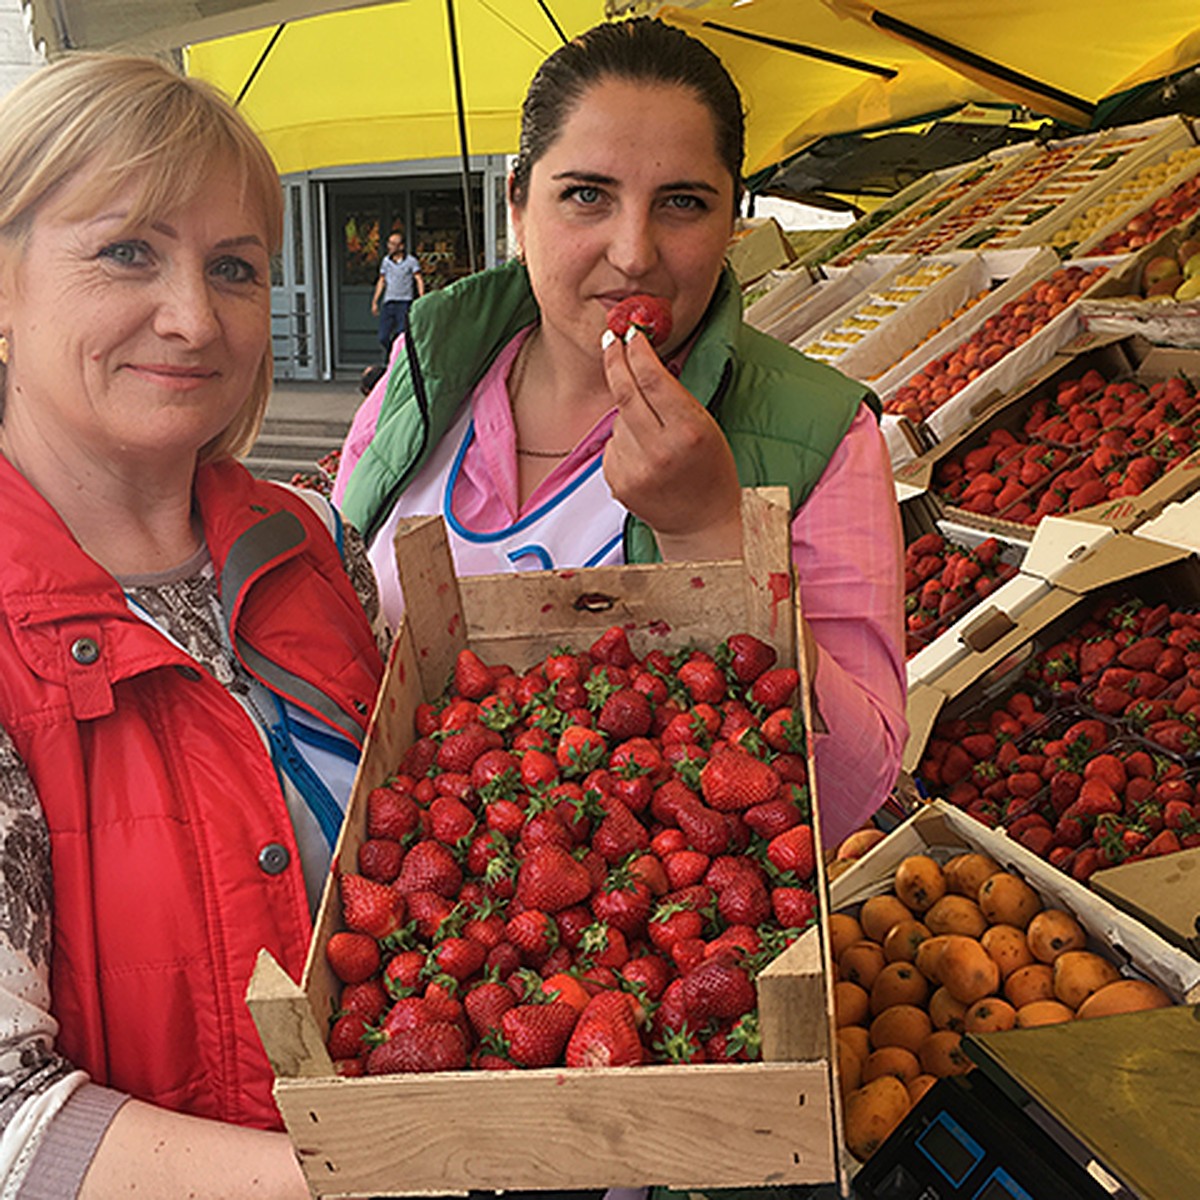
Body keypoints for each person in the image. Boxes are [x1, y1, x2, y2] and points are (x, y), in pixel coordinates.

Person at [334, 16, 907, 846]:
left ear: (731, 226)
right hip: (405, 932)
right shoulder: (419, 380)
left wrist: (710, 537)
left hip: (634, 946)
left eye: (682, 203)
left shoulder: (820, 431)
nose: (634, 253)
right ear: (519, 207)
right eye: (586, 195)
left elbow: (854, 788)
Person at [0, 54, 385, 1198]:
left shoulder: (314, 547)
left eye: (234, 267)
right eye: (129, 250)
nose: (193, 316)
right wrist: (392, 1177)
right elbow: (10, 1126)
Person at [370, 230, 425, 360]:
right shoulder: (386, 262)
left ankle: (398, 360)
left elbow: (418, 279)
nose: (390, 246)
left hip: (404, 302)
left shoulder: (411, 261)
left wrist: (422, 297)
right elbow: (382, 280)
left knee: (402, 334)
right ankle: (393, 355)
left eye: (394, 244)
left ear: (401, 246)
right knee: (383, 336)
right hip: (389, 302)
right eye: (389, 243)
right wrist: (375, 301)